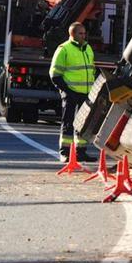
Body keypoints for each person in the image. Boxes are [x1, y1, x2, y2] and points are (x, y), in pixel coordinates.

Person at [49, 21, 96, 160]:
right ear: (72, 34)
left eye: (84, 33)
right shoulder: (64, 49)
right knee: (68, 123)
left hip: (86, 92)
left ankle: (80, 152)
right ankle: (65, 153)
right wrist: (66, 91)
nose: (84, 35)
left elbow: (91, 69)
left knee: (84, 124)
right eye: (80, 33)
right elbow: (54, 75)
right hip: (70, 92)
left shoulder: (88, 48)